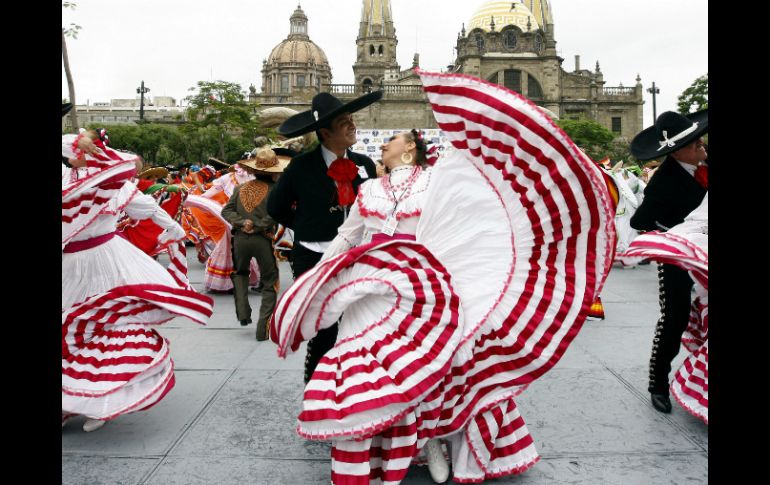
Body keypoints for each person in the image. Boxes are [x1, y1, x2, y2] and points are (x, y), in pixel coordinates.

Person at [270, 70, 615, 484]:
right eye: (347, 124)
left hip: (415, 285)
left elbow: (465, 195)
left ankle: (429, 437)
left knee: (422, 362)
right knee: (361, 361)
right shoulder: (360, 185)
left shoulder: (423, 179)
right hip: (363, 282)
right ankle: (361, 429)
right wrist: (319, 268)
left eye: (395, 139)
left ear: (411, 150)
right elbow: (343, 232)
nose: (381, 140)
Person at [62, 131, 214, 433]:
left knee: (110, 326)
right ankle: (71, 400)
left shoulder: (115, 186)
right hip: (71, 265)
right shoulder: (67, 179)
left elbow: (149, 209)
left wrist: (174, 230)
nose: (72, 156)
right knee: (71, 330)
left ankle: (103, 402)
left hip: (107, 261)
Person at [267, 90, 382, 381]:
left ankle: (353, 386)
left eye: (351, 119)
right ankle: (317, 387)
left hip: (356, 256)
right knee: (325, 326)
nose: (352, 125)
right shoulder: (301, 166)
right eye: (344, 122)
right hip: (313, 255)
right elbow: (276, 207)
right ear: (325, 132)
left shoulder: (365, 165)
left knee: (358, 323)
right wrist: (308, 227)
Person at [629, 109, 708, 414]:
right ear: (678, 152)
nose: (702, 147)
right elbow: (640, 221)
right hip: (677, 259)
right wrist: (678, 234)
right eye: (696, 144)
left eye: (700, 141)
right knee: (674, 318)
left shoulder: (706, 164)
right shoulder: (662, 182)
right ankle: (658, 384)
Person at [221, 147, 287, 340]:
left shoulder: (240, 188)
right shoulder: (276, 191)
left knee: (240, 273)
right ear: (274, 172)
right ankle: (262, 329)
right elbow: (275, 214)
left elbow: (226, 211)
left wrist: (243, 223)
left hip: (240, 239)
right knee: (270, 282)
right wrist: (257, 226)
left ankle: (242, 313)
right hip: (263, 239)